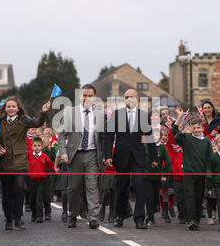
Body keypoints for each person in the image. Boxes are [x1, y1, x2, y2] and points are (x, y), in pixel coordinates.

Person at [105, 89, 158, 229]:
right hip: (121, 157)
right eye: (126, 97)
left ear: (138, 100)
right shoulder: (116, 115)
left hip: (138, 157)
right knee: (121, 187)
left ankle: (139, 218)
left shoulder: (144, 116)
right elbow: (109, 137)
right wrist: (108, 156)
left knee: (140, 186)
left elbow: (149, 137)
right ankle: (119, 215)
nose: (129, 99)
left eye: (132, 97)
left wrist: (154, 157)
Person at [0, 96, 50, 230]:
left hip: (20, 161)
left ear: (18, 108)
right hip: (5, 161)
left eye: (13, 106)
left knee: (19, 190)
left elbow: (37, 123)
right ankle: (9, 220)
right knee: (7, 193)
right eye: (8, 106)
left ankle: (18, 219)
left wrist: (43, 112)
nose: (11, 108)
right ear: (5, 108)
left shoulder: (23, 120)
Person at [58, 84, 104, 229]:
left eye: (90, 96)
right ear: (80, 96)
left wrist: (105, 156)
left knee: (92, 187)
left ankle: (93, 218)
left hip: (92, 154)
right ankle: (72, 216)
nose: (87, 98)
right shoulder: (70, 113)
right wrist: (63, 153)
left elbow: (103, 138)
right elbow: (61, 135)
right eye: (84, 95)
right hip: (74, 155)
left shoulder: (100, 115)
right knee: (74, 188)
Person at [172, 107, 213, 231]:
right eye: (193, 127)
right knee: (189, 197)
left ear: (202, 128)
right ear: (190, 127)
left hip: (200, 173)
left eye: (198, 127)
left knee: (199, 197)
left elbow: (209, 158)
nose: (196, 130)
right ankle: (191, 221)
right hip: (188, 173)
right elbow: (175, 136)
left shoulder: (206, 141)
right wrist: (182, 129)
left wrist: (209, 173)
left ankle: (196, 220)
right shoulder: (186, 138)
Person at [143, 127, 172, 226]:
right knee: (149, 197)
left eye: (157, 136)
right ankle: (150, 218)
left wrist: (164, 175)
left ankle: (151, 213)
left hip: (158, 176)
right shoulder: (145, 145)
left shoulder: (162, 148)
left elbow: (168, 163)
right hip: (146, 175)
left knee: (156, 198)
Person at [27, 137, 55, 223]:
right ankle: (34, 214)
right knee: (32, 199)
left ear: (42, 147)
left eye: (38, 146)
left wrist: (55, 170)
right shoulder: (29, 155)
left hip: (43, 181)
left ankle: (40, 215)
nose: (36, 147)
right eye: (35, 146)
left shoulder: (44, 156)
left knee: (40, 198)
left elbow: (51, 165)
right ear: (31, 147)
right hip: (32, 180)